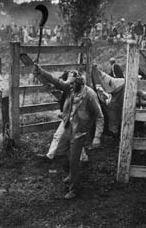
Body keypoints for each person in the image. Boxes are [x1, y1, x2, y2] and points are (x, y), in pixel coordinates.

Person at [33, 65, 104, 200]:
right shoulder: (70, 88)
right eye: (69, 84)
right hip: (68, 127)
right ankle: (72, 174)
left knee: (74, 161)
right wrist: (41, 71)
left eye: (72, 85)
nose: (70, 87)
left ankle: (74, 189)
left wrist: (97, 137)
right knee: (59, 154)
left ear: (81, 84)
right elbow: (55, 81)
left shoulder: (90, 95)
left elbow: (100, 116)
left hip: (80, 132)